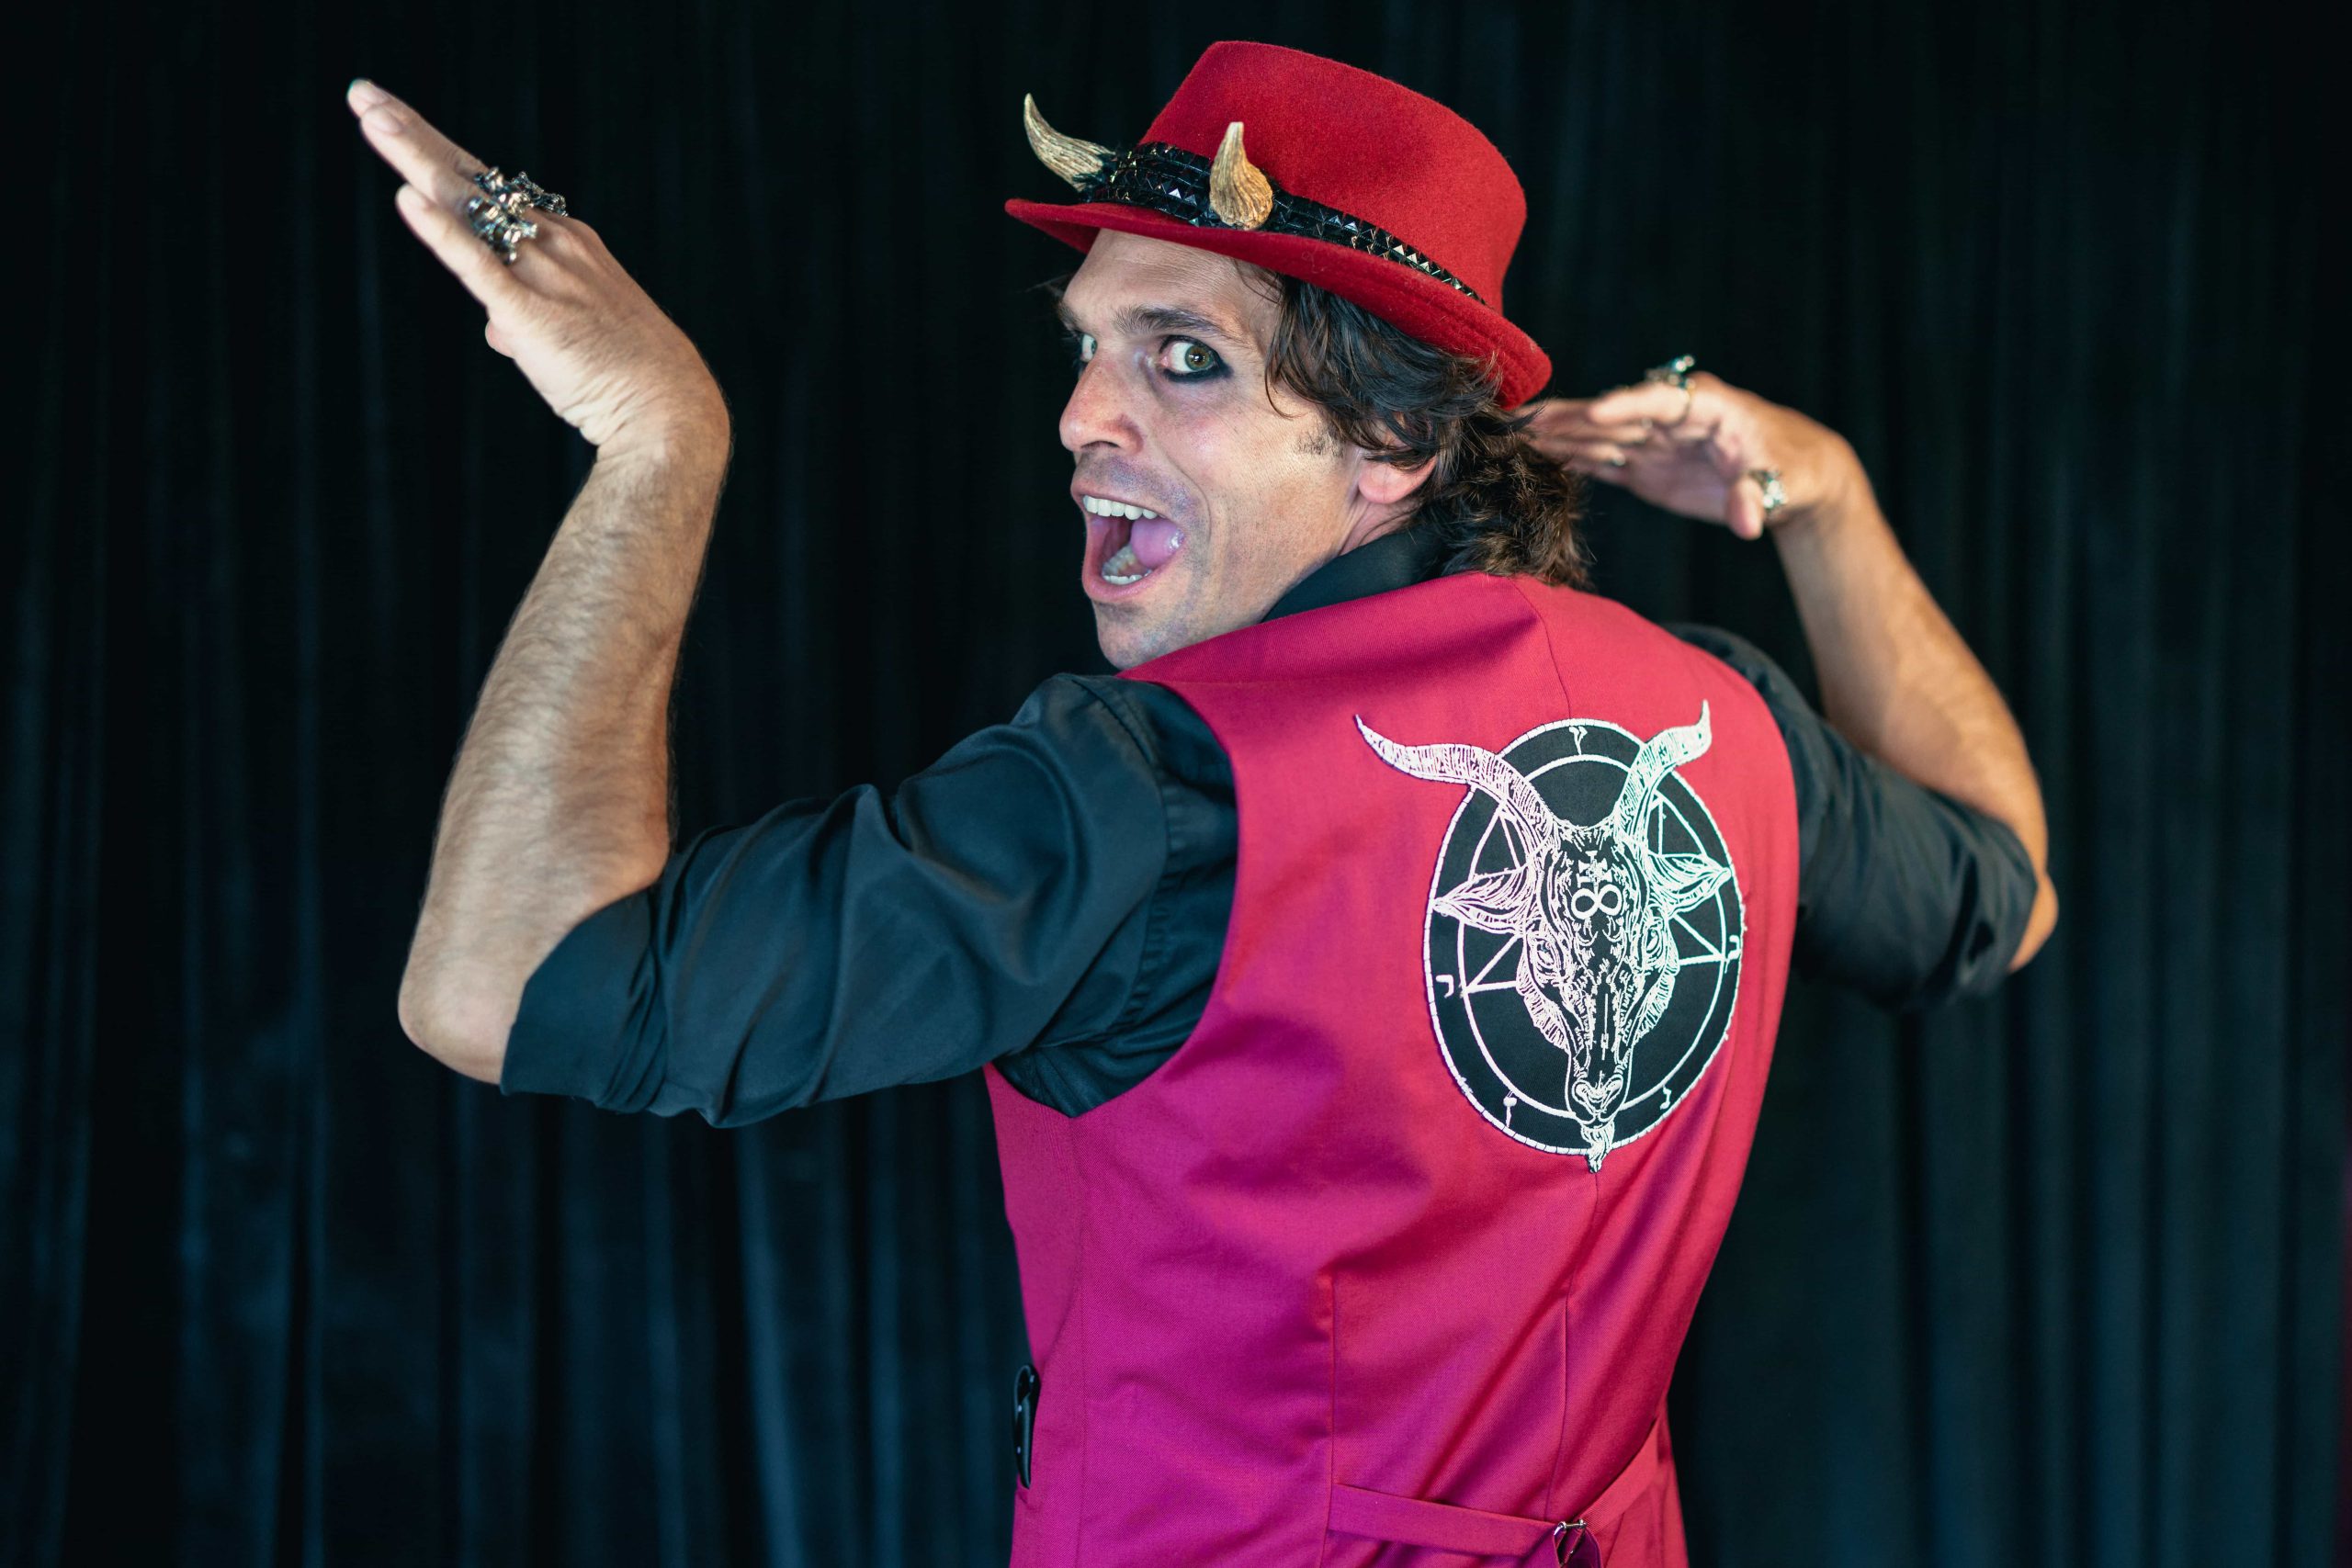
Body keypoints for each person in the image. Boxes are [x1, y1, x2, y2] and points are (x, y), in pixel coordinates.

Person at [357, 39, 2056, 1568]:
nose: (1080, 418)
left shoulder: (1143, 793)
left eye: (1183, 360)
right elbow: (2005, 891)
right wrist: (1826, 499)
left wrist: (658, 443)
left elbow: (494, 985)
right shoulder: (1722, 722)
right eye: (1089, 348)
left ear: (1393, 446)